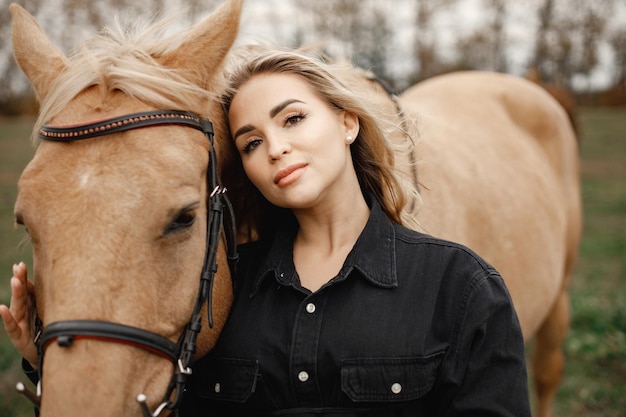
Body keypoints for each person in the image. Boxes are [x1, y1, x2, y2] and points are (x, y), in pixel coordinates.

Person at [2, 46, 532, 416]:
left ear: (348, 122)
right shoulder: (224, 300)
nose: (274, 147)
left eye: (293, 119)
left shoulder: (459, 286)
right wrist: (48, 358)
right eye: (251, 142)